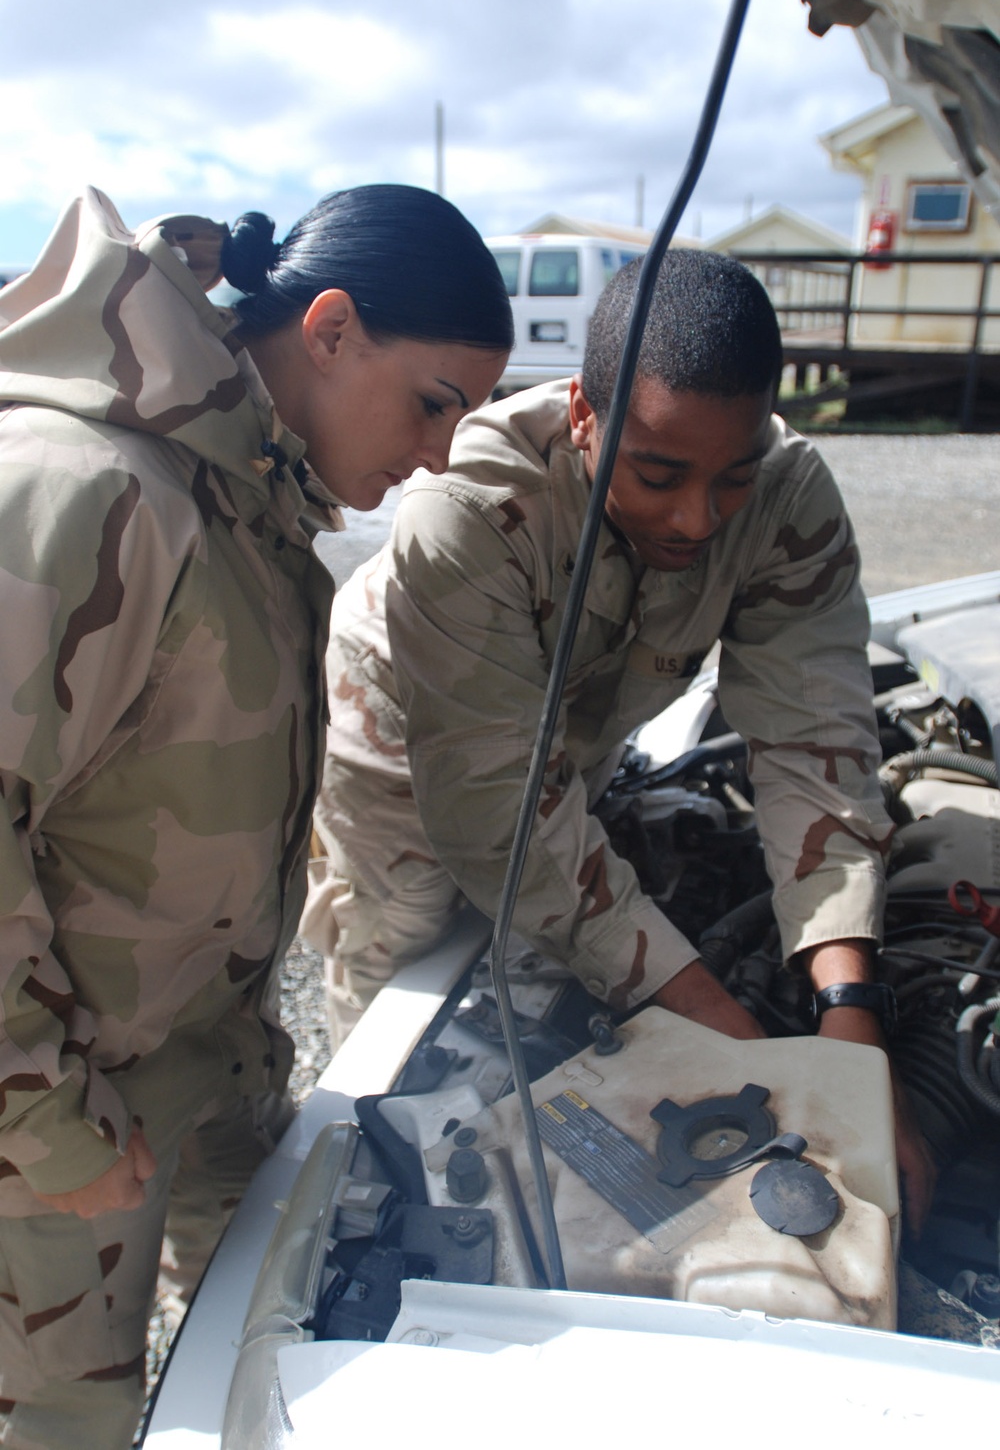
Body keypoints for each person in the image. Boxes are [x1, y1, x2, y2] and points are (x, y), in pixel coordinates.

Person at [0, 182, 512, 1450]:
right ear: (329, 329)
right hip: (61, 1114)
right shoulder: (90, 487)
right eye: (435, 402)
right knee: (65, 1422)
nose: (441, 455)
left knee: (285, 1340)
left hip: (200, 1065)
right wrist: (42, 1120)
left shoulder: (248, 497)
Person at [303, 248, 936, 1234]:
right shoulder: (467, 513)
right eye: (658, 473)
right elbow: (497, 812)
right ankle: (367, 1191)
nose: (698, 517)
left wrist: (850, 1029)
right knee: (408, 969)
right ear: (582, 416)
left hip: (571, 736)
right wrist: (738, 1045)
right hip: (404, 728)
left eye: (733, 475)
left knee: (567, 912)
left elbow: (814, 742)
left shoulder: (785, 495)